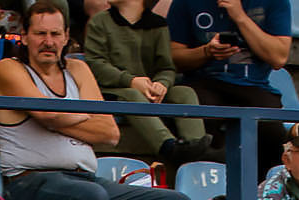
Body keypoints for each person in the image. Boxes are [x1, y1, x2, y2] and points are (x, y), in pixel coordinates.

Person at [0, 0, 192, 200]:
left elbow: (109, 133)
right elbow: (47, 113)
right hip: (28, 181)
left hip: (85, 179)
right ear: (24, 36)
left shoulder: (78, 69)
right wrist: (75, 115)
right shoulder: (10, 68)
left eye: (55, 34)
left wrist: (55, 117)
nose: (48, 42)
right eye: (40, 34)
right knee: (89, 197)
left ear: (66, 36)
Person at [83, 0, 211, 164]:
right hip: (111, 88)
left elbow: (166, 67)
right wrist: (131, 81)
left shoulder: (158, 24)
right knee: (132, 95)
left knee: (184, 92)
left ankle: (196, 147)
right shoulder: (100, 21)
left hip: (147, 88)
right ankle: (168, 147)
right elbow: (95, 64)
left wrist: (162, 83)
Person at [167, 0, 292, 166]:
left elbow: (279, 58)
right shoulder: (185, 3)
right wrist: (206, 52)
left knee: (271, 131)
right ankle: (207, 176)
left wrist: (240, 17)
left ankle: (264, 181)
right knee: (200, 117)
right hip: (203, 82)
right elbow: (172, 59)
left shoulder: (276, 2)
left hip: (253, 85)